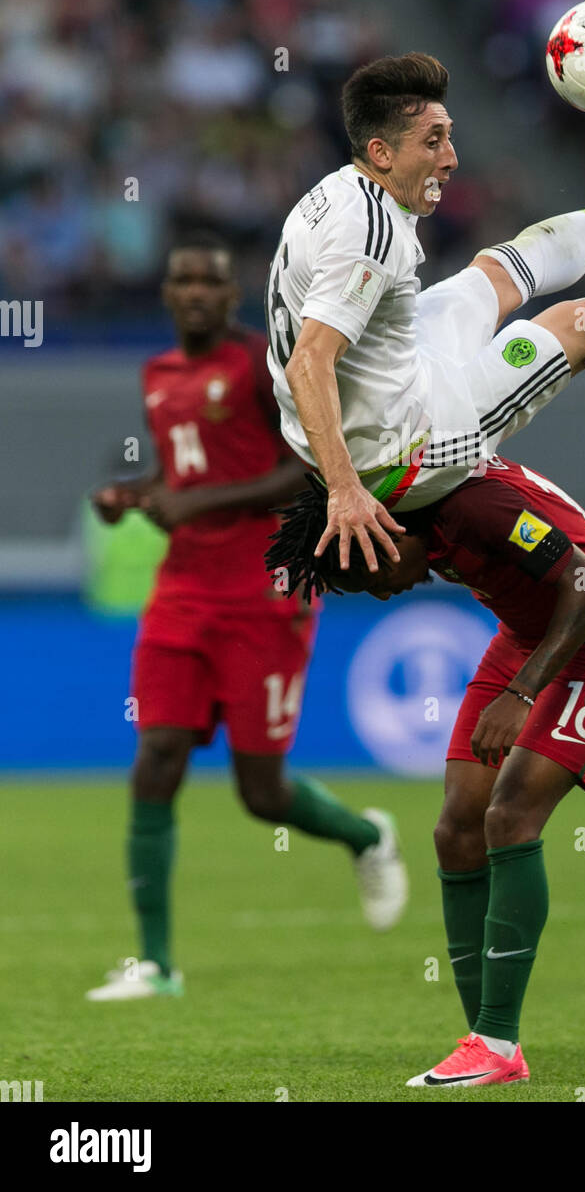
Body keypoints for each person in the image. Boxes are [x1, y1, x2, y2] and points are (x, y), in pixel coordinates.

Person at [264, 52, 585, 575]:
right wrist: (345, 491)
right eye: (432, 142)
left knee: (498, 267)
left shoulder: (336, 191)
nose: (451, 158)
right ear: (380, 152)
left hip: (373, 400)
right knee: (581, 322)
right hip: (403, 450)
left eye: (448, 135)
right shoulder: (369, 236)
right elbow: (308, 362)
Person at [266, 453, 585, 1087]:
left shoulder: (478, 506)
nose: (388, 592)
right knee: (456, 830)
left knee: (510, 815)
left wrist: (524, 693)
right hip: (527, 637)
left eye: (377, 578)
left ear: (389, 532)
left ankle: (497, 1044)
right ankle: (487, 1043)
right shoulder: (414, 515)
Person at [86, 233, 408, 1003]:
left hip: (266, 590)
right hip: (181, 594)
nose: (195, 292)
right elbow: (186, 469)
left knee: (259, 792)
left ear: (233, 298)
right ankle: (157, 964)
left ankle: (367, 836)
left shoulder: (268, 366)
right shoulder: (158, 375)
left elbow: (305, 469)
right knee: (157, 756)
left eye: (210, 282)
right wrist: (135, 493)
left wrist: (196, 503)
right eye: (182, 280)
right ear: (166, 293)